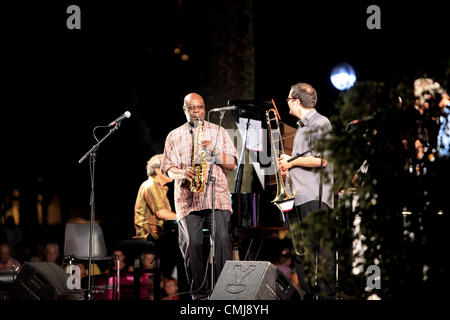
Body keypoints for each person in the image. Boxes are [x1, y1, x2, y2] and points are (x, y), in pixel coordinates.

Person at [161, 93, 238, 300]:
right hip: (188, 197)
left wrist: (212, 148)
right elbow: (167, 169)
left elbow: (232, 163)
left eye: (200, 108)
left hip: (216, 195)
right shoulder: (174, 135)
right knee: (193, 245)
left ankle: (225, 293)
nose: (197, 112)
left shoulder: (218, 132)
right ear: (185, 110)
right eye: (192, 109)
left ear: (205, 108)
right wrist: (182, 173)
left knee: (222, 241)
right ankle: (199, 296)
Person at [279, 82, 334, 299]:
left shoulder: (321, 122)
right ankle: (308, 296)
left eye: (289, 99)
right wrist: (289, 169)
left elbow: (323, 159)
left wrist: (291, 163)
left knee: (321, 253)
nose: (287, 103)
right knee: (301, 256)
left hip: (314, 198)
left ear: (297, 101)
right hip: (299, 197)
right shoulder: (302, 127)